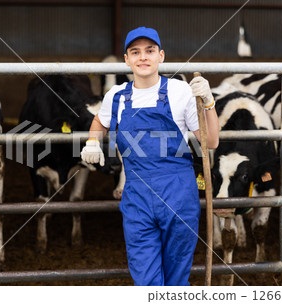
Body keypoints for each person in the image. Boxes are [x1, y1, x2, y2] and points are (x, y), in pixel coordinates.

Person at [81, 26, 219, 286]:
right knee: (145, 278)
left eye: (149, 51)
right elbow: (99, 121)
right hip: (137, 197)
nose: (143, 57)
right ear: (127, 59)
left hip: (178, 195)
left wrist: (209, 103)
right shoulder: (116, 96)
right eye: (135, 52)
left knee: (177, 276)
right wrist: (92, 142)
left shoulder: (180, 91)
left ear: (161, 56)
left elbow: (211, 141)